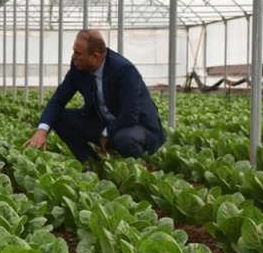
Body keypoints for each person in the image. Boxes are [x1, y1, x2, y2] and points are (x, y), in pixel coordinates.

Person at [24, 29, 165, 161]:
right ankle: (92, 163)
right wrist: (42, 130)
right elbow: (58, 100)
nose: (73, 57)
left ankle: (139, 166)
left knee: (125, 139)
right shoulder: (78, 69)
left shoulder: (123, 70)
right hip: (105, 123)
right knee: (59, 118)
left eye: (78, 53)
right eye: (74, 51)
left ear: (95, 57)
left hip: (137, 126)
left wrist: (106, 133)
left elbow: (129, 116)